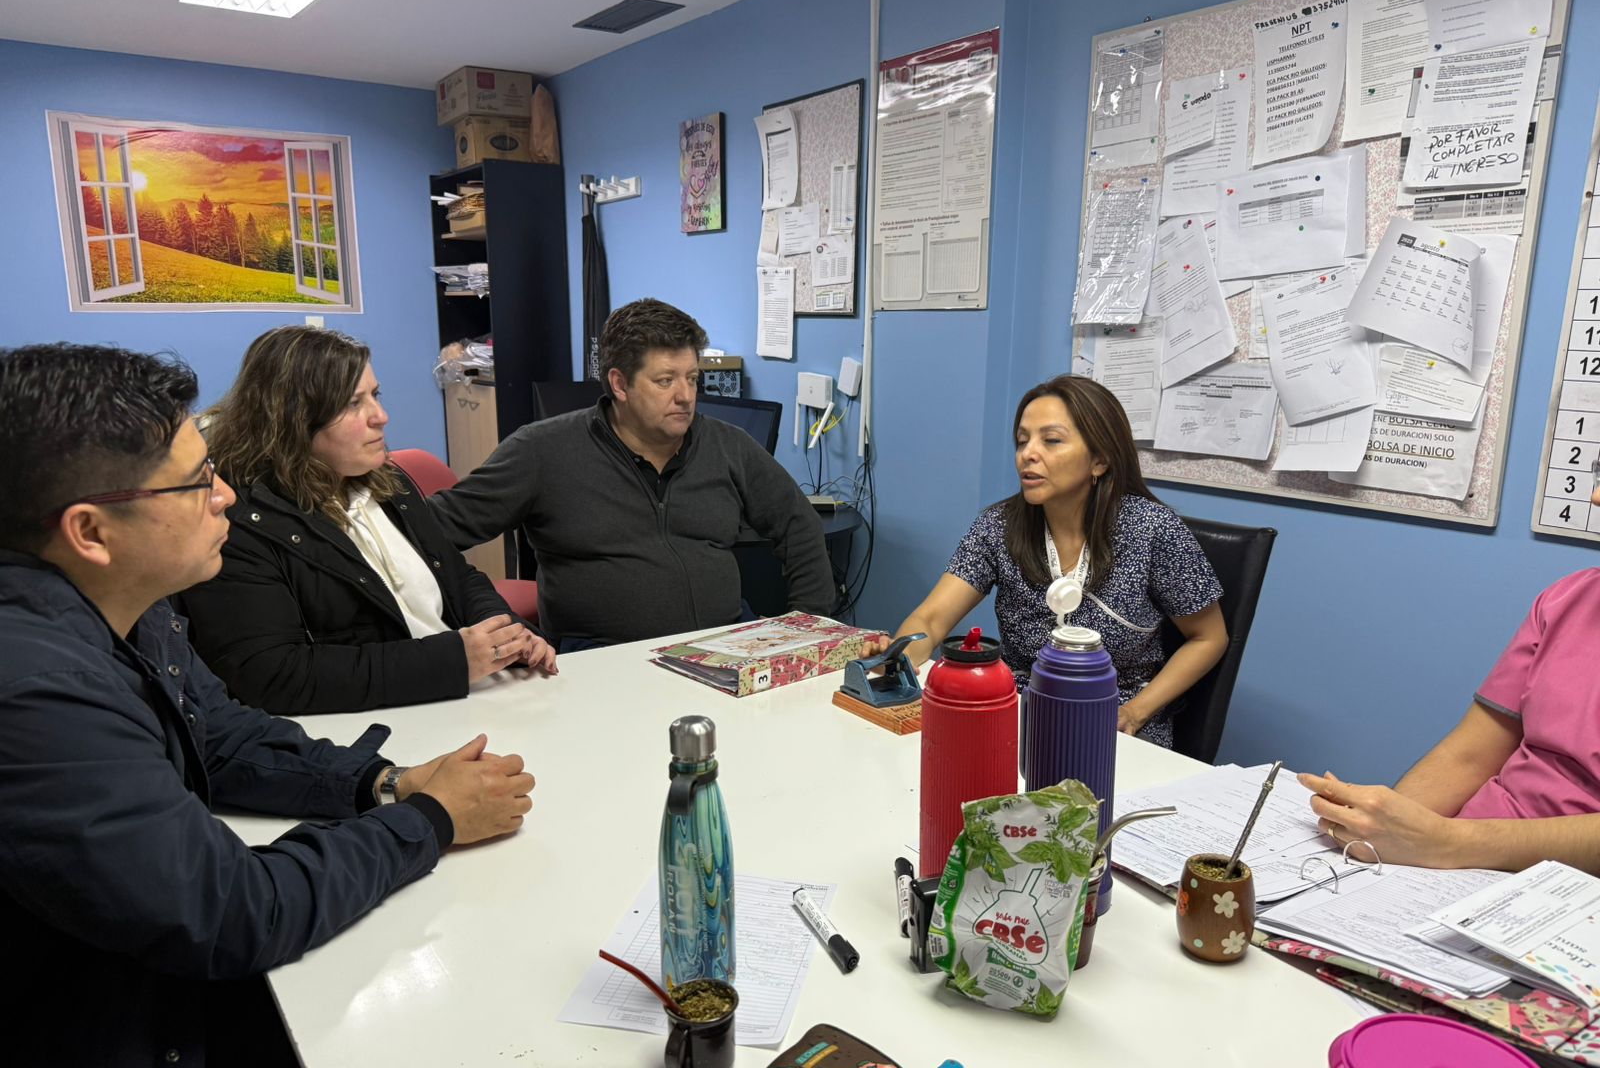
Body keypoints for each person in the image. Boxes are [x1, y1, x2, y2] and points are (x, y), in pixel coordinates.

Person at [0, 342, 536, 1068]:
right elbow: (232, 911)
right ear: (91, 531)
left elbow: (225, 731)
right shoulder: (35, 695)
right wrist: (429, 821)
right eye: (193, 484)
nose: (222, 496)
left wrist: (382, 782)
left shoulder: (120, 600)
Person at [181, 326, 556, 715]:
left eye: (375, 396)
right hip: (375, 720)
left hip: (457, 695)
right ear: (292, 418)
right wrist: (455, 661)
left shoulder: (388, 484)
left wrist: (507, 633)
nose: (381, 416)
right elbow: (270, 675)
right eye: (352, 403)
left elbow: (457, 577)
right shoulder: (242, 522)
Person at [430, 298, 835, 649]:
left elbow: (798, 524)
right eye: (665, 381)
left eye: (692, 378)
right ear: (619, 384)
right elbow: (430, 533)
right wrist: (497, 619)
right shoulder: (542, 451)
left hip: (724, 644)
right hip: (604, 659)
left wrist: (806, 628)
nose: (686, 395)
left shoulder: (727, 445)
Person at [884, 376, 1228, 748]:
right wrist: (896, 660)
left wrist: (1135, 712)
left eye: (1051, 440)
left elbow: (1208, 637)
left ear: (1099, 459)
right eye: (1022, 441)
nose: (1027, 454)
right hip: (1020, 713)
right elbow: (931, 619)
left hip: (1116, 722)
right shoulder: (998, 527)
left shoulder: (1151, 530)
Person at [1302, 509, 1600, 873]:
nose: (1596, 496)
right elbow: (1469, 756)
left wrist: (1446, 842)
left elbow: (1445, 841)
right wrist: (1380, 835)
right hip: (1465, 856)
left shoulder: (1453, 843)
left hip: (1561, 881)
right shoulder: (1571, 598)